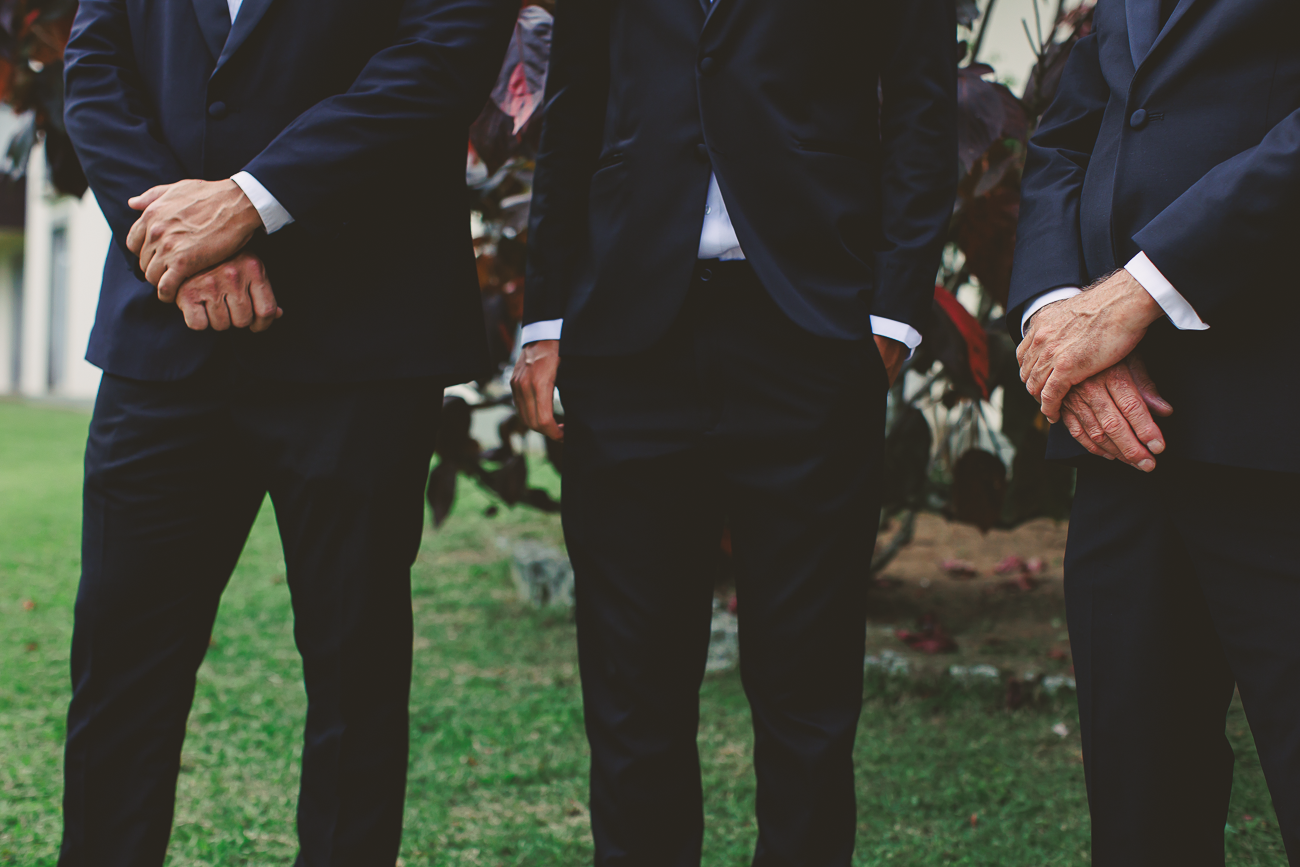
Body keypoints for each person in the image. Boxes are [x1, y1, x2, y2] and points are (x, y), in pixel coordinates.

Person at [59, 1, 518, 863]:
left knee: (355, 678)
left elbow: (442, 53)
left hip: (362, 337)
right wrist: (181, 246)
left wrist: (250, 203)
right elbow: (93, 72)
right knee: (120, 679)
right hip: (166, 333)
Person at [511, 1, 957, 863]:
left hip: (810, 333)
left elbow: (920, 107)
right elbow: (575, 105)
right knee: (632, 691)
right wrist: (546, 319)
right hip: (627, 337)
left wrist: (893, 319)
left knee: (808, 695)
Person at [1010, 0, 1300, 862]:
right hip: (1121, 441)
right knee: (1141, 812)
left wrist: (1144, 288)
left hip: (1279, 425)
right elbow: (1068, 137)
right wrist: (1064, 311)